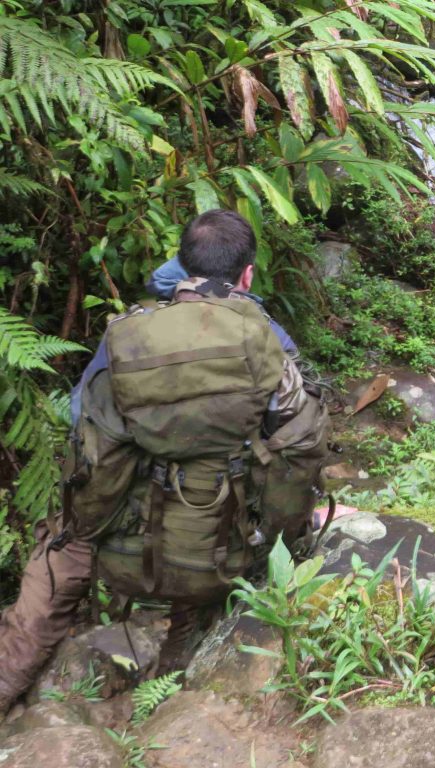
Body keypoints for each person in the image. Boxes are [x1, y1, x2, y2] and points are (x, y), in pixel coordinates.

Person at [0, 210, 327, 717]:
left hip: (123, 530)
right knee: (202, 597)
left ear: (182, 264)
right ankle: (171, 697)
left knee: (60, 550)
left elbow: (83, 427)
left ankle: (7, 676)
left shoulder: (132, 337)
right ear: (247, 275)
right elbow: (296, 450)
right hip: (219, 541)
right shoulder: (270, 341)